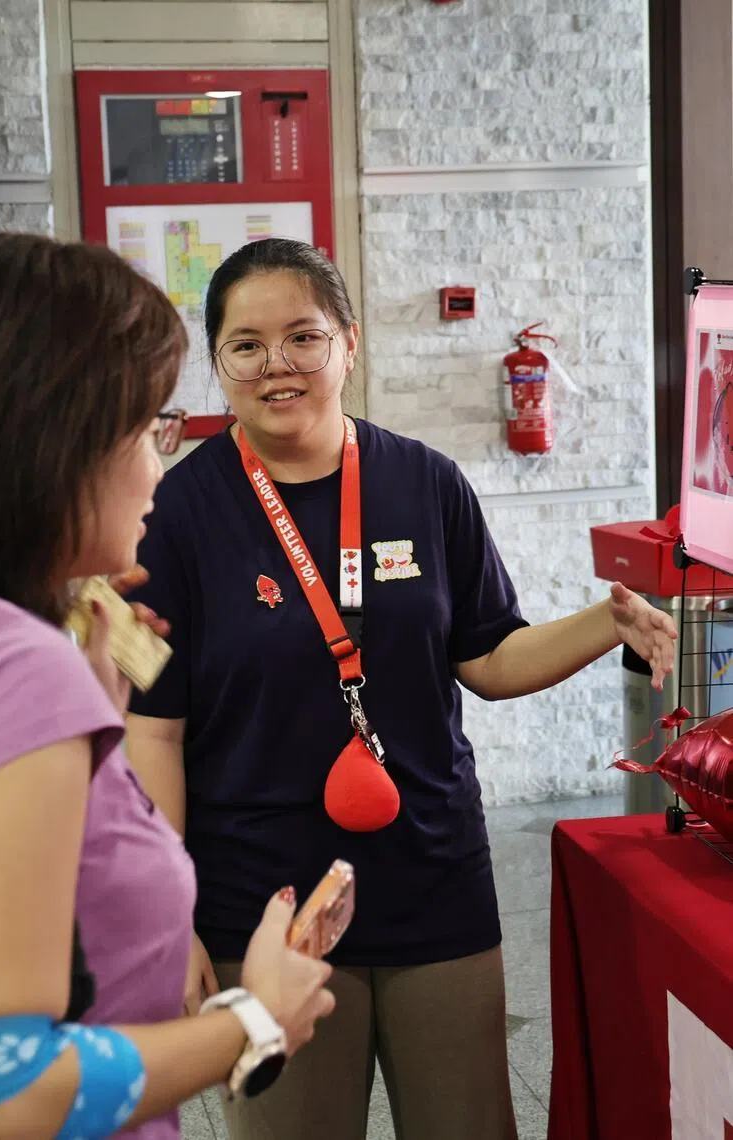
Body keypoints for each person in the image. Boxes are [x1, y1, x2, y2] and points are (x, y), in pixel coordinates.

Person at [124, 237, 677, 1140]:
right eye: (246, 346)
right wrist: (171, 908)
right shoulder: (178, 515)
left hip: (432, 874)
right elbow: (154, 733)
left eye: (303, 337)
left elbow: (491, 658)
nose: (277, 367)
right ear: (217, 362)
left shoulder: (425, 483)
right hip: (263, 900)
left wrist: (605, 622)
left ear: (349, 342)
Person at [0, 233, 335, 1140]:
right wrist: (251, 1022)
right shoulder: (14, 671)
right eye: (146, 430)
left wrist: (90, 705)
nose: (157, 462)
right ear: (53, 444)